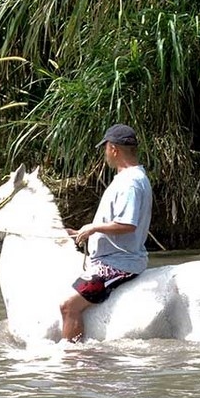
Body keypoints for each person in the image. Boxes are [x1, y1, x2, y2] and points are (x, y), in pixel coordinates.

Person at [60, 123, 153, 341]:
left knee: (68, 307)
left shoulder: (129, 182)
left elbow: (127, 225)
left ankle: (73, 359)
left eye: (105, 148)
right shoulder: (131, 178)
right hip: (113, 259)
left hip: (118, 264)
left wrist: (93, 228)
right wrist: (80, 233)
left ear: (113, 149)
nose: (105, 154)